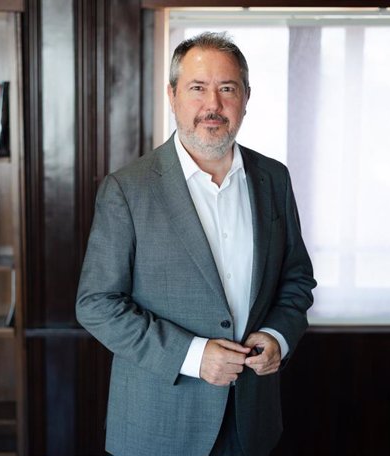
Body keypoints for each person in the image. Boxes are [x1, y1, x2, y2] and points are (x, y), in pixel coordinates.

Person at [76, 31, 316, 456]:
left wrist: (279, 335)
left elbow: (296, 278)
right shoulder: (127, 189)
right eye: (197, 88)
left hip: (252, 422)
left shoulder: (274, 179)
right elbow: (96, 304)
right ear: (172, 95)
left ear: (245, 97)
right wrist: (193, 355)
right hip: (158, 425)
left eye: (227, 88)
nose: (213, 105)